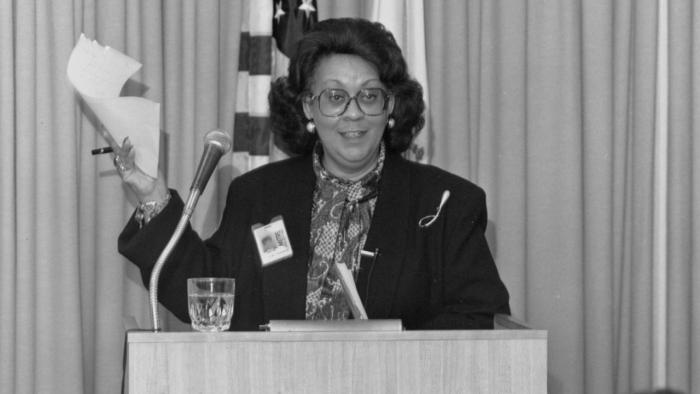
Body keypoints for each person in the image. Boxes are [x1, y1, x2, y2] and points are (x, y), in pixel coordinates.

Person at [115, 18, 510, 331]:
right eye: (334, 97)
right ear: (307, 108)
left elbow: (479, 320)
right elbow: (208, 296)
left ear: (390, 107)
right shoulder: (259, 194)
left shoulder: (445, 202)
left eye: (370, 96)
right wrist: (152, 196)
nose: (353, 113)